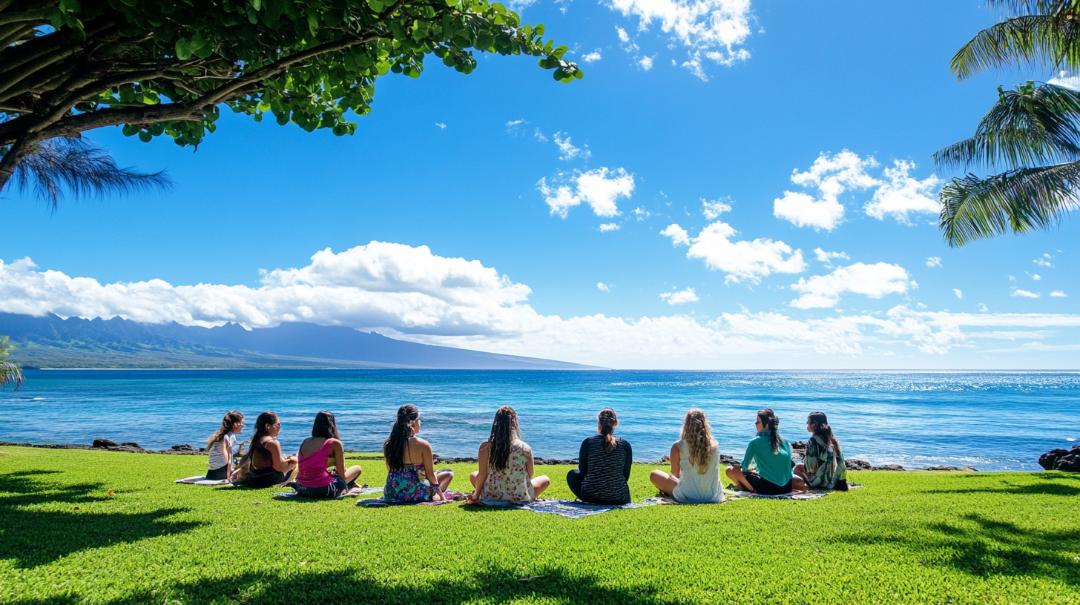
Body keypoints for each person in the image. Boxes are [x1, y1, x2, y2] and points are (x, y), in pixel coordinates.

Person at [468, 406, 550, 504]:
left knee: (474, 475)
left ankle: (487, 493)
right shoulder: (525, 448)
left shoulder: (485, 446)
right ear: (514, 423)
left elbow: (482, 474)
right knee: (545, 479)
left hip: (492, 494)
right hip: (519, 496)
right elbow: (530, 474)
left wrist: (476, 495)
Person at [648, 409, 723, 503]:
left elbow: (675, 475)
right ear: (705, 424)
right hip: (713, 496)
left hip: (687, 495)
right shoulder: (715, 445)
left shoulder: (678, 446)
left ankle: (669, 492)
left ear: (686, 425)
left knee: (654, 474)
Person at [382, 404, 454, 502]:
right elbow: (430, 475)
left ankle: (436, 494)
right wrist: (442, 498)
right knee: (448, 474)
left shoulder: (389, 444)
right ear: (414, 423)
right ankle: (438, 495)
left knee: (441, 474)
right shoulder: (423, 444)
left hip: (392, 493)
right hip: (415, 494)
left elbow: (391, 471)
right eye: (419, 420)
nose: (420, 423)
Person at [726, 408, 799, 494]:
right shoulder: (785, 442)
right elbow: (788, 466)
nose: (755, 424)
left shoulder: (755, 442)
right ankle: (747, 488)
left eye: (757, 422)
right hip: (786, 488)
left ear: (767, 424)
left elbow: (744, 467)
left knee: (730, 470)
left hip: (767, 488)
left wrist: (750, 470)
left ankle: (745, 488)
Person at [566, 408, 632, 504]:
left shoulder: (588, 442)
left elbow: (583, 471)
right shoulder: (625, 445)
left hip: (591, 496)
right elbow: (625, 476)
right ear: (615, 423)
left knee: (572, 474)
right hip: (619, 497)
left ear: (599, 423)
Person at [291, 411, 363, 498]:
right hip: (323, 490)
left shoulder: (305, 441)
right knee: (357, 468)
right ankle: (351, 488)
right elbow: (342, 475)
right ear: (332, 425)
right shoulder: (334, 443)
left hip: (302, 488)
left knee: (333, 475)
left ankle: (350, 486)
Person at [234, 411, 297, 488]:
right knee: (296, 463)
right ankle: (289, 483)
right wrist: (293, 461)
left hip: (254, 477)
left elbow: (246, 457)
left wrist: (235, 471)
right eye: (278, 425)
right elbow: (279, 467)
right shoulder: (272, 442)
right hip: (268, 479)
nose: (279, 428)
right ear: (267, 426)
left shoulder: (257, 440)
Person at [794, 411, 848, 491]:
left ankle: (809, 487)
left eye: (808, 422)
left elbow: (810, 468)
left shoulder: (813, 441)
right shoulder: (832, 439)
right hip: (834, 480)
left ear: (814, 424)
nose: (806, 424)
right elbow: (841, 462)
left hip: (821, 482)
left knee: (797, 468)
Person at [205, 411, 244, 481]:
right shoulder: (229, 436)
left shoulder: (220, 435)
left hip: (211, 473)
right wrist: (229, 477)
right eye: (241, 422)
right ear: (235, 424)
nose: (242, 425)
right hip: (221, 473)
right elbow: (228, 460)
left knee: (237, 461)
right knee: (247, 464)